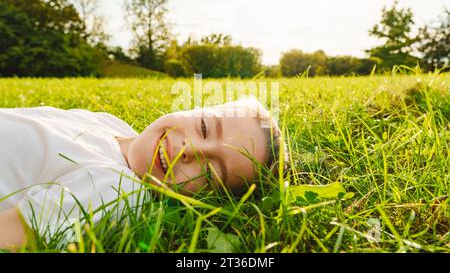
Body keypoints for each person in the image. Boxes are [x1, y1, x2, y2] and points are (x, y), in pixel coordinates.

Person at [0, 97, 286, 250]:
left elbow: (10, 236)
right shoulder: (113, 125)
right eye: (203, 127)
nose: (191, 149)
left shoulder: (118, 190)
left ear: (202, 199)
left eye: (209, 172)